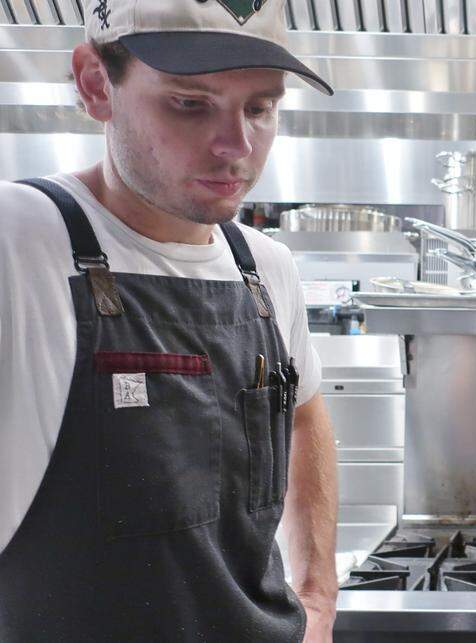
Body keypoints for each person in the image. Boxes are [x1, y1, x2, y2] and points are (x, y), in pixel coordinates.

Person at [0, 0, 339, 640]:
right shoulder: (19, 241)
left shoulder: (263, 266)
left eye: (260, 108)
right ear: (97, 84)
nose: (236, 146)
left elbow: (305, 411)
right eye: (190, 103)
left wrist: (317, 596)